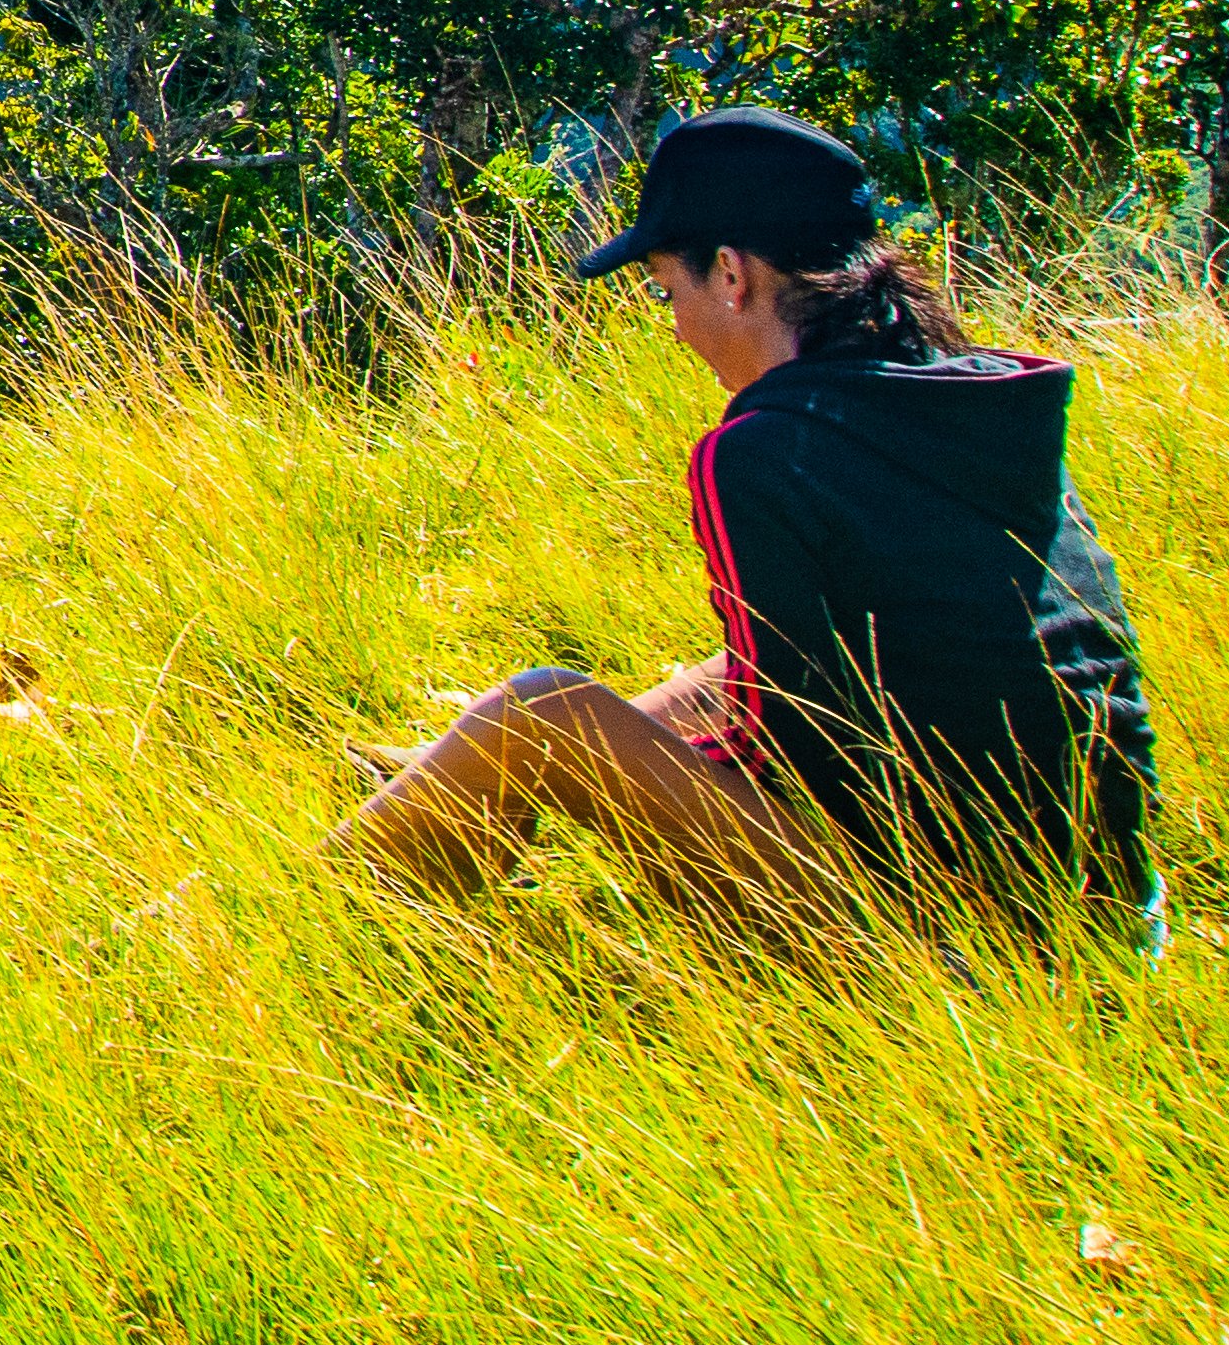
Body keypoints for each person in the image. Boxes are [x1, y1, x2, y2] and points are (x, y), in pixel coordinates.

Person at [338, 106, 1157, 933]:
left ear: (731, 274)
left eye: (667, 291)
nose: (676, 325)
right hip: (1113, 906)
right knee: (722, 670)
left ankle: (331, 912)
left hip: (943, 933)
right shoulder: (989, 397)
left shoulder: (763, 452)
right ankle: (453, 774)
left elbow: (792, 749)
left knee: (543, 713)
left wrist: (585, 769)